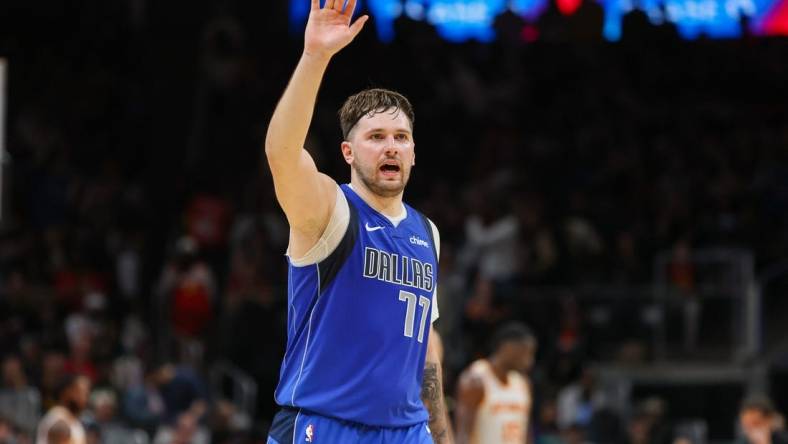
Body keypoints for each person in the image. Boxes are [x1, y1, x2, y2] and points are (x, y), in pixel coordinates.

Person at [264, 0, 452, 443]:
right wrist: (315, 57)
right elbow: (281, 154)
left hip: (408, 432)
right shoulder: (330, 210)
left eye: (401, 138)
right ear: (348, 152)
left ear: (413, 153)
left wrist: (440, 432)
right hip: (325, 425)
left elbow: (423, 347)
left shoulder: (428, 233)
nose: (391, 147)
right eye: (376, 137)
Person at [455, 322, 537, 444]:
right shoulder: (476, 379)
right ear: (508, 347)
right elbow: (463, 433)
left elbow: (525, 431)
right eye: (526, 352)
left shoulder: (523, 383)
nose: (530, 361)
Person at [36, 374, 91, 444]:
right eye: (80, 392)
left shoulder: (71, 420)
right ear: (66, 392)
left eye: (86, 393)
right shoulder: (59, 420)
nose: (84, 398)